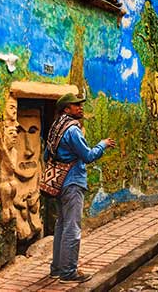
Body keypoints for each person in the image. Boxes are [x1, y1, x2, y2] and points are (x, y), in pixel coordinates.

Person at [48, 93, 116, 283]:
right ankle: (68, 272)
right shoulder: (72, 129)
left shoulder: (56, 128)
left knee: (61, 225)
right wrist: (102, 145)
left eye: (80, 105)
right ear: (66, 109)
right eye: (76, 105)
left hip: (59, 183)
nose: (80, 107)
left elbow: (47, 154)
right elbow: (87, 156)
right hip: (73, 182)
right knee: (72, 227)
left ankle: (56, 268)